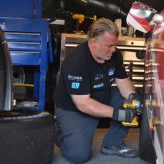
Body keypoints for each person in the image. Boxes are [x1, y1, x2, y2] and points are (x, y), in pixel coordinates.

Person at [53, 18, 142, 164]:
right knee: (78, 156)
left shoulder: (115, 55)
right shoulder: (77, 61)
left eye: (115, 45)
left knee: (128, 98)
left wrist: (133, 97)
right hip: (75, 109)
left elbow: (122, 81)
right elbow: (83, 104)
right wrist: (118, 114)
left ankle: (113, 143)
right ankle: (61, 132)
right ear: (93, 42)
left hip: (102, 98)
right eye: (109, 46)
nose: (113, 49)